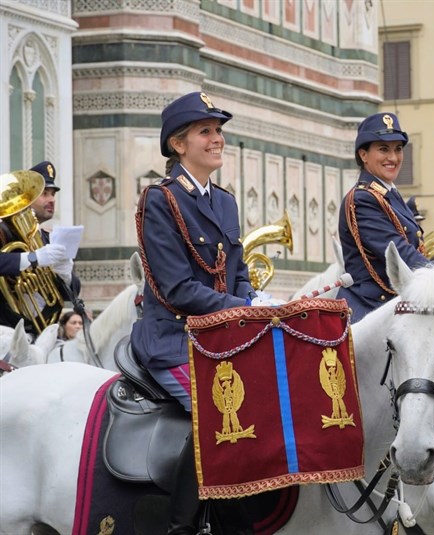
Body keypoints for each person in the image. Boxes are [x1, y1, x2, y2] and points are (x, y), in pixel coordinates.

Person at [131, 91, 256, 534]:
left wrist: (252, 301)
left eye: (219, 131)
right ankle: (182, 529)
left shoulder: (224, 201)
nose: (217, 139)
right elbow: (178, 289)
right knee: (220, 417)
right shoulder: (160, 201)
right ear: (178, 145)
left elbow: (237, 270)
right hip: (172, 341)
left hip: (222, 337)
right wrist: (242, 308)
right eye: (206, 131)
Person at [338, 112, 434, 323]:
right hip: (371, 310)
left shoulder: (389, 194)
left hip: (397, 303)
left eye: (398, 149)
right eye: (383, 149)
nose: (393, 158)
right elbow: (400, 253)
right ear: (363, 155)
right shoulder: (363, 199)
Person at [0, 162, 81, 334]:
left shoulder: (48, 239)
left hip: (41, 334)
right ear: (25, 198)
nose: (51, 199)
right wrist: (31, 258)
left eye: (53, 194)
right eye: (44, 194)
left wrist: (65, 274)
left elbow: (69, 295)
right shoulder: (2, 232)